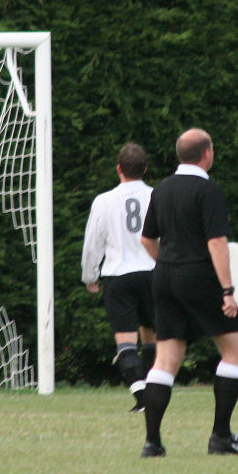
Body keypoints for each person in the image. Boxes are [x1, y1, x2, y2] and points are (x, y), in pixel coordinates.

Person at [139, 128, 238, 457]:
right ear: (206, 153)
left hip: (163, 276)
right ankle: (221, 437)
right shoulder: (209, 191)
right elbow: (216, 243)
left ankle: (152, 443)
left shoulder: (161, 189)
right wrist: (227, 290)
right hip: (199, 276)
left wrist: (167, 262)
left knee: (165, 359)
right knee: (236, 350)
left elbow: (147, 239)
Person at [81, 142, 157, 412]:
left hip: (118, 275)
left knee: (126, 342)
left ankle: (142, 396)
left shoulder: (104, 200)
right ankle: (151, 391)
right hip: (152, 272)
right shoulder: (156, 195)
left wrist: (90, 276)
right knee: (152, 335)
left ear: (118, 169)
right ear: (145, 170)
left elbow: (93, 243)